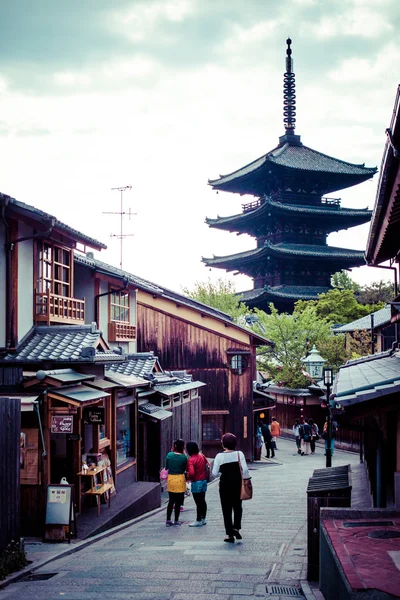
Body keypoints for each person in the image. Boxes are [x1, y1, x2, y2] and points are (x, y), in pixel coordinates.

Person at [212, 432, 250, 543]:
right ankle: (236, 527)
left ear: (223, 444)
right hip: (237, 484)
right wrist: (246, 479)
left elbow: (214, 473)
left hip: (225, 485)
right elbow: (245, 470)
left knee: (226, 509)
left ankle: (229, 535)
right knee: (238, 506)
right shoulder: (239, 454)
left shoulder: (219, 456)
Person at [165, 439, 187, 526]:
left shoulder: (169, 455)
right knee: (178, 502)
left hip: (171, 478)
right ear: (183, 446)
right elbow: (185, 469)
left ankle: (168, 520)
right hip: (180, 479)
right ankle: (176, 520)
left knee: (171, 500)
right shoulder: (184, 457)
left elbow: (166, 467)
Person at [186, 441, 208, 527]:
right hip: (203, 481)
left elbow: (191, 473)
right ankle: (203, 519)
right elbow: (207, 465)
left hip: (196, 482)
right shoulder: (202, 455)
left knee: (198, 502)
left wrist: (187, 475)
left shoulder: (191, 460)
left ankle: (198, 520)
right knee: (203, 501)